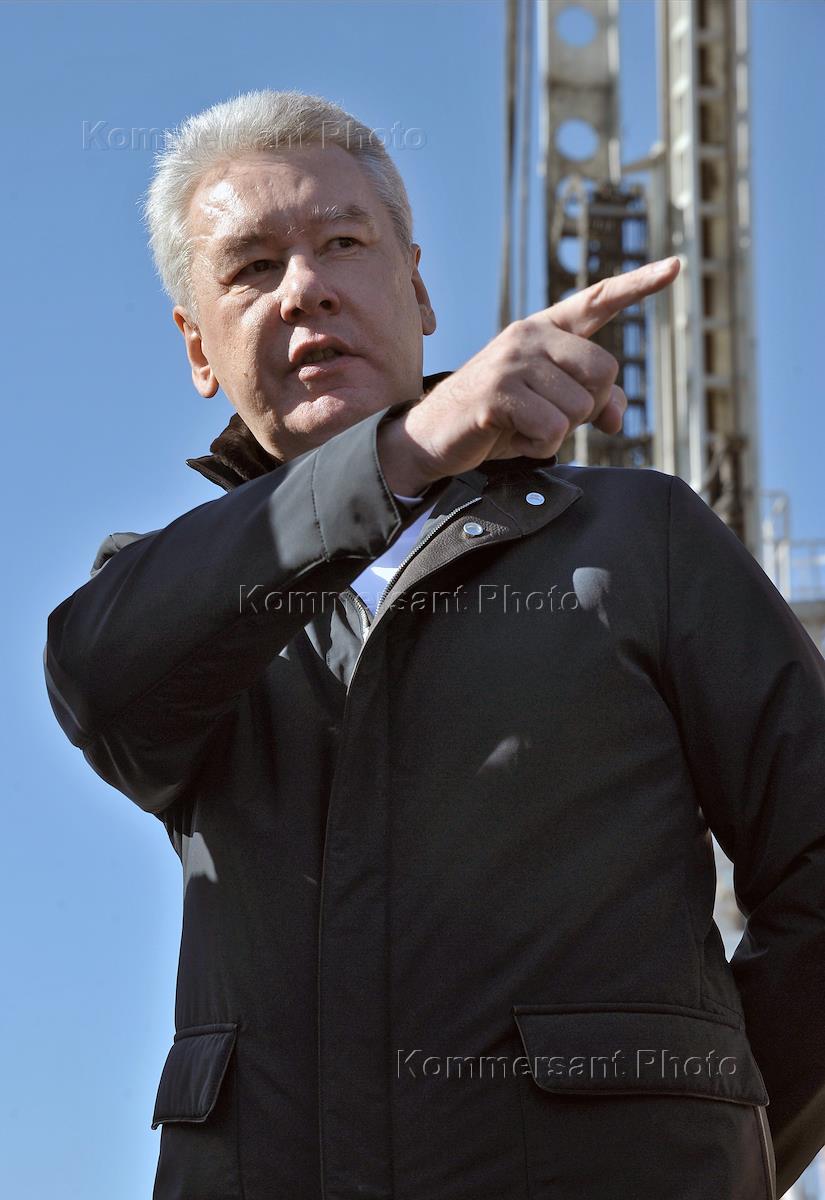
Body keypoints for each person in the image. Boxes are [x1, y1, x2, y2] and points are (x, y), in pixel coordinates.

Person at [44, 89, 825, 1200]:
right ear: (197, 348)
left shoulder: (641, 540)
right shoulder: (171, 601)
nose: (304, 287)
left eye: (342, 243)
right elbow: (101, 681)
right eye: (251, 267)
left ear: (417, 289)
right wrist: (400, 452)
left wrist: (704, 1145)